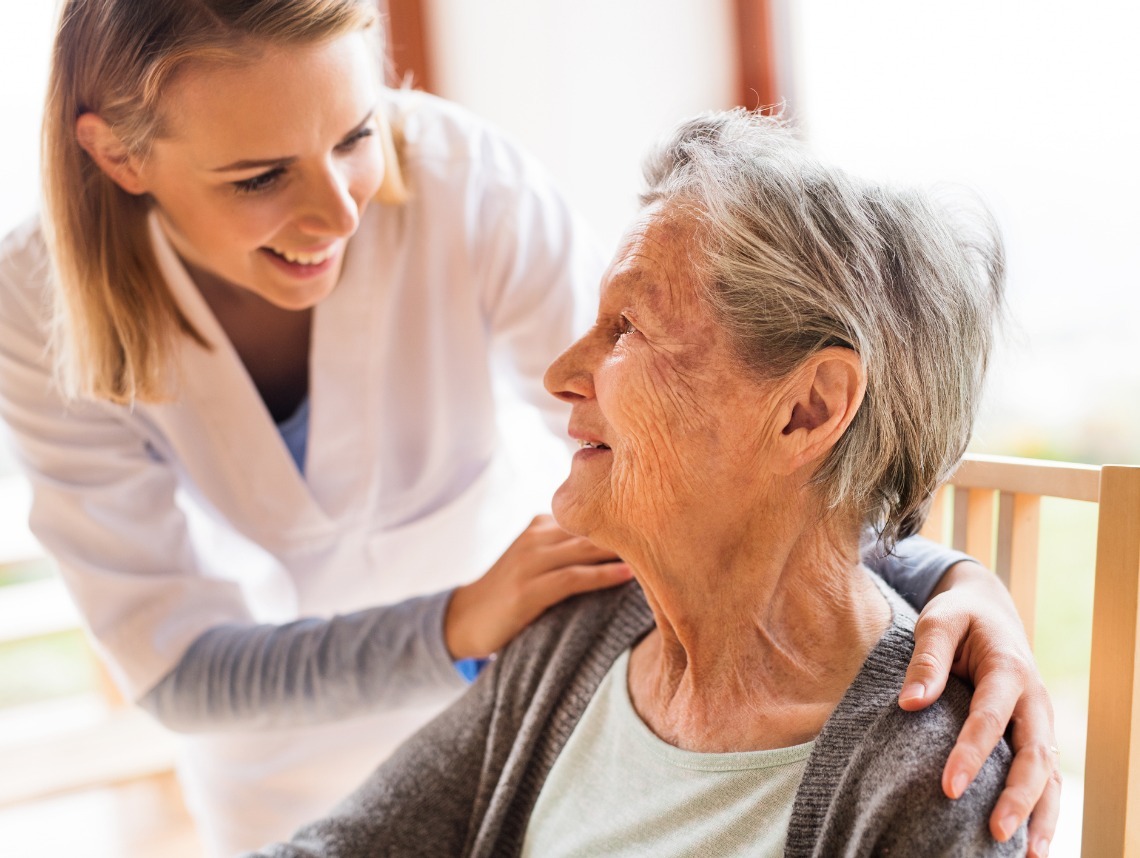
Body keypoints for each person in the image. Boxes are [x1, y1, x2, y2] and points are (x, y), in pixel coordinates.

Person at [0, 2, 1056, 855]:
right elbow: (182, 668)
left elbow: (732, 446)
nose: (340, 211)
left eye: (358, 134)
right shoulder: (33, 307)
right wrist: (460, 628)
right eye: (260, 176)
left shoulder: (467, 190)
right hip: (349, 744)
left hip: (534, 653)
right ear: (122, 158)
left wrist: (954, 581)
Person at [248, 110, 1027, 857]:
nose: (559, 375)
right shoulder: (579, 628)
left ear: (807, 409)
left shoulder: (933, 781)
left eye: (626, 329)